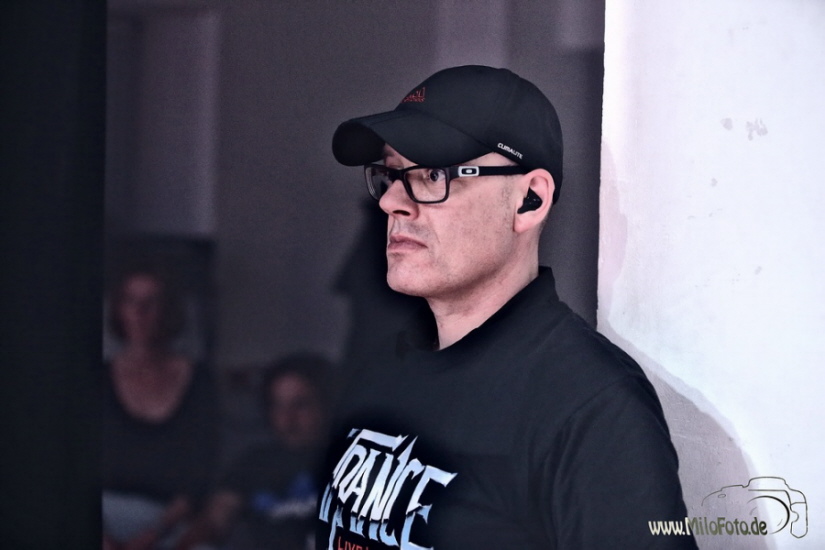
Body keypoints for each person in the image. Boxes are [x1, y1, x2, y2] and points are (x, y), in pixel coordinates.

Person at [315, 65, 697, 549]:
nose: (392, 201)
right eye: (390, 174)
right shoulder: (380, 372)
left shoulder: (590, 405)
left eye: (432, 175)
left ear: (529, 200)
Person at [102, 261, 219, 550]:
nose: (139, 312)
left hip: (167, 520)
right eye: (130, 301)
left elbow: (199, 477)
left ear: (168, 311)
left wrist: (151, 535)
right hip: (104, 513)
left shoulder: (199, 381)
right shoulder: (94, 378)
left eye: (150, 302)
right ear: (119, 309)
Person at [177, 353, 333, 550]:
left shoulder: (352, 459)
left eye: (300, 405)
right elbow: (215, 519)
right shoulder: (254, 462)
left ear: (325, 404)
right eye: (278, 406)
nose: (287, 419)